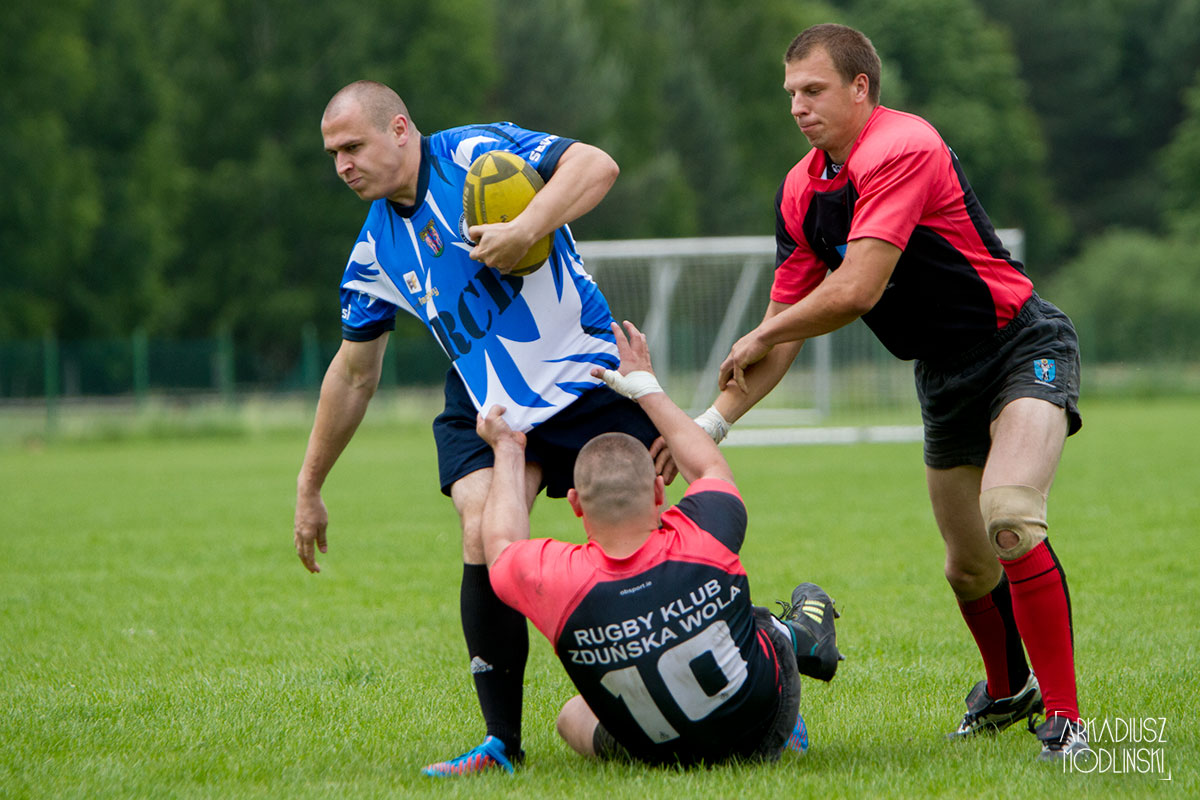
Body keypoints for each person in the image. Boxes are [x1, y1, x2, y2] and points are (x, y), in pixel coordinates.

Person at [699, 24, 1089, 761]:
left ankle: (1067, 723)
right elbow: (780, 339)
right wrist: (706, 427)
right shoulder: (800, 191)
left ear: (861, 88)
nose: (798, 106)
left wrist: (764, 331)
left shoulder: (902, 145)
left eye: (813, 90)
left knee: (1010, 515)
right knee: (967, 567)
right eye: (790, 93)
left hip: (1020, 345)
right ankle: (1008, 692)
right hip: (941, 374)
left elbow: (856, 289)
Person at [293, 80, 672, 776]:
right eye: (333, 155)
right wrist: (309, 484)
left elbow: (597, 165)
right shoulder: (373, 253)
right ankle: (502, 744)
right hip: (487, 403)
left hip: (585, 378)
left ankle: (748, 680)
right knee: (481, 533)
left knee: (644, 541)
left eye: (352, 147)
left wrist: (528, 227)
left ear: (399, 129)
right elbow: (352, 376)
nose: (342, 165)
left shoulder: (474, 152)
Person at [474, 319, 843, 767]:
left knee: (571, 716)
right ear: (657, 491)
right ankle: (798, 637)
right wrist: (645, 387)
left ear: (575, 505)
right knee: (748, 618)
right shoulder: (701, 535)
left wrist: (508, 449)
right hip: (763, 726)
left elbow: (500, 544)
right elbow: (708, 468)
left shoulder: (558, 580)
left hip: (656, 754)